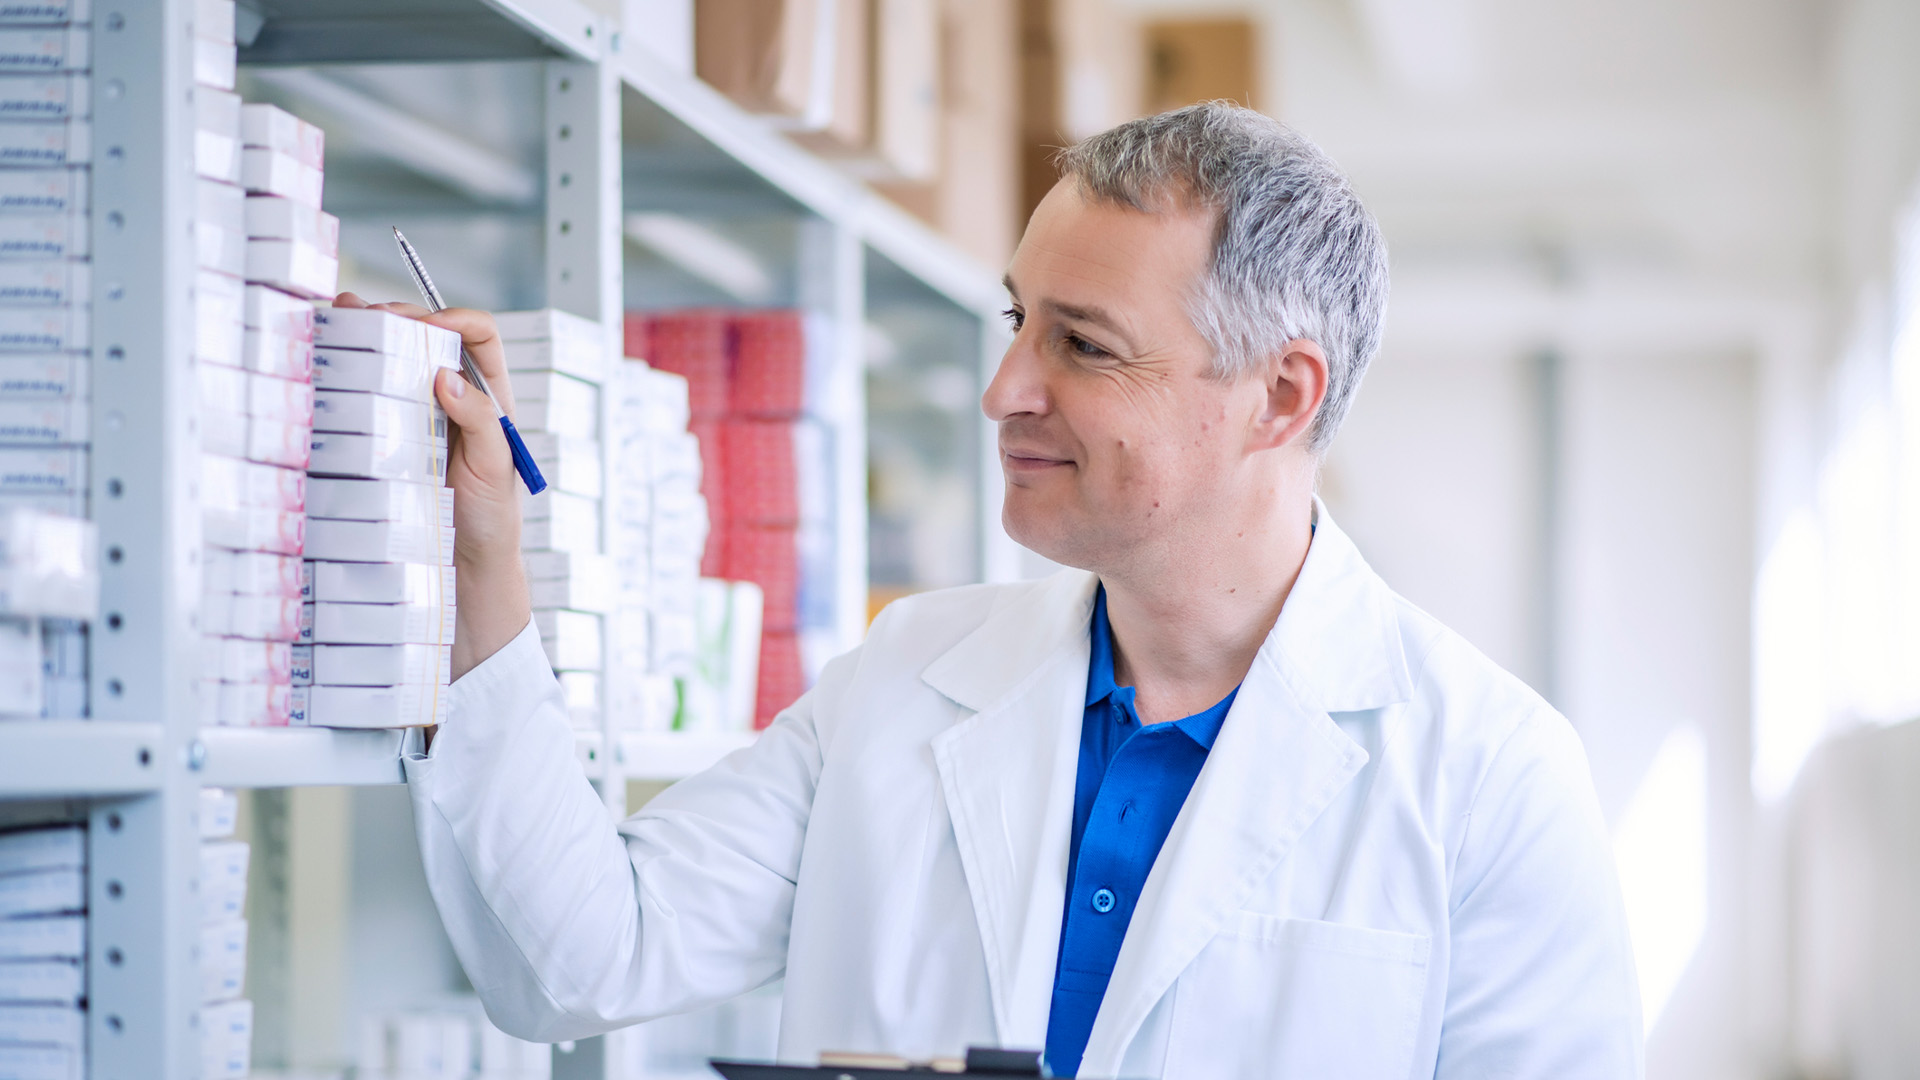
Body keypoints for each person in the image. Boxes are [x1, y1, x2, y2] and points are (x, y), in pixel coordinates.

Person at [376, 102, 1643, 1078]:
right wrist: (483, 550)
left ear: (1280, 395)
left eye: (1082, 345)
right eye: (1015, 321)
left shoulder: (1490, 778)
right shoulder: (908, 678)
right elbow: (579, 958)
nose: (1005, 391)